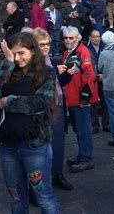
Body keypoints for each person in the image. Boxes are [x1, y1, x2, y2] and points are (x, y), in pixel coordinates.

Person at [0, 33, 59, 213]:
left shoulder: (47, 73)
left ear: (33, 51)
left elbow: (40, 102)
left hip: (35, 145)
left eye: (21, 53)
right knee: (16, 198)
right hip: (9, 144)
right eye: (13, 54)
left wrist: (9, 102)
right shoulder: (8, 71)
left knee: (43, 197)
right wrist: (7, 63)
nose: (17, 58)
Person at [32, 28, 74, 191]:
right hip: (43, 110)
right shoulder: (33, 63)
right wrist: (57, 71)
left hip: (57, 105)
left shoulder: (50, 60)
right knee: (41, 149)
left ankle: (57, 174)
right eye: (41, 44)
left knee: (58, 143)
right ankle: (39, 184)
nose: (46, 47)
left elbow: (58, 83)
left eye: (48, 43)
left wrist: (67, 74)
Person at [59, 26, 98, 173]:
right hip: (72, 98)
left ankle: (87, 158)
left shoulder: (83, 51)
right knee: (78, 129)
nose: (68, 40)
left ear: (78, 38)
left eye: (71, 38)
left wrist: (85, 98)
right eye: (66, 38)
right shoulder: (66, 53)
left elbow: (89, 75)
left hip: (81, 100)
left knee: (83, 130)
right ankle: (82, 156)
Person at [87, 29, 109, 134]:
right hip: (92, 79)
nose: (97, 38)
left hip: (103, 78)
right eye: (94, 36)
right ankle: (94, 125)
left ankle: (106, 124)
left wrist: (104, 75)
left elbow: (109, 63)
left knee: (105, 102)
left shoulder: (105, 47)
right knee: (93, 103)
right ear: (90, 38)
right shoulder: (87, 49)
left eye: (98, 36)